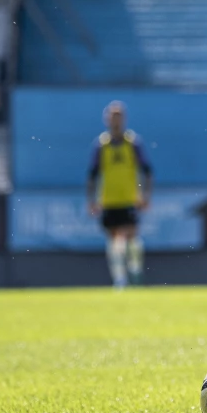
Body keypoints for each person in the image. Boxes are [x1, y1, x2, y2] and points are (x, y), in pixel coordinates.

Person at [87, 101, 153, 289]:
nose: (115, 120)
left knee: (132, 237)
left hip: (129, 198)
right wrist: (92, 200)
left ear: (124, 119)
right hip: (109, 200)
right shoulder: (101, 145)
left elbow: (146, 171)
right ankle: (120, 279)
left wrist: (144, 195)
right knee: (114, 239)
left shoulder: (133, 143)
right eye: (112, 115)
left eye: (118, 116)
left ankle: (135, 271)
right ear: (106, 118)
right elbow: (93, 174)